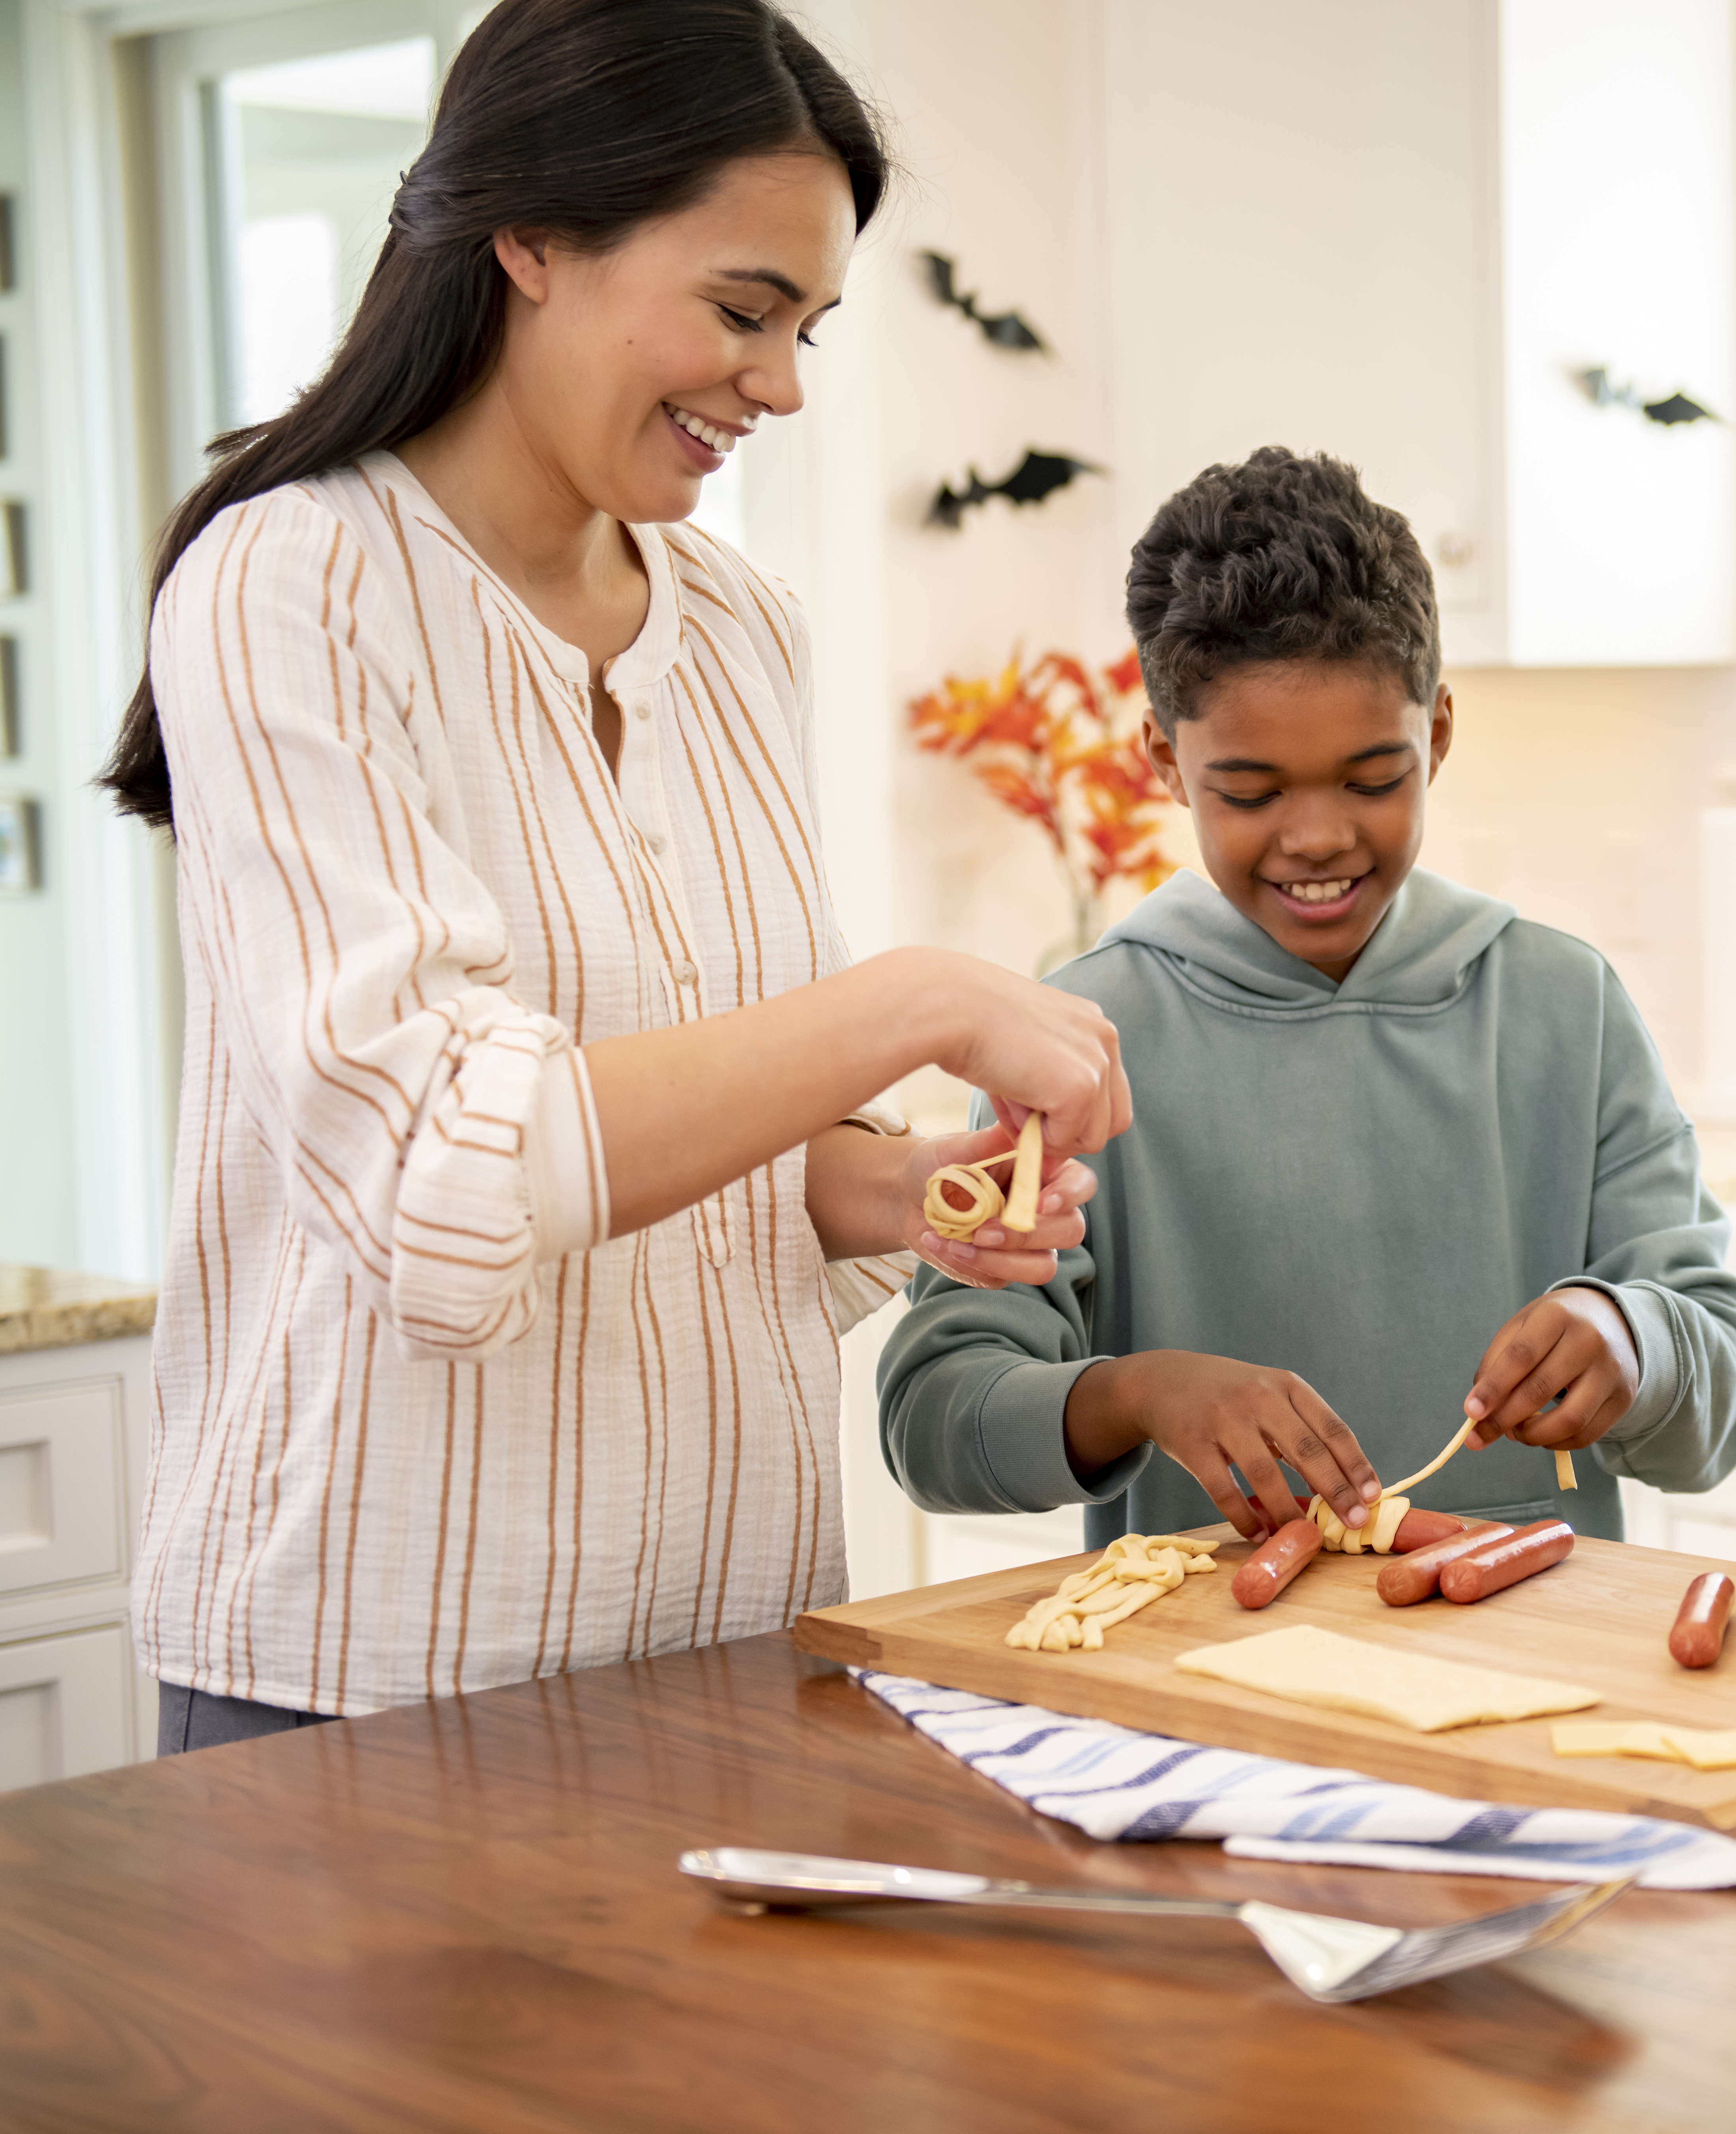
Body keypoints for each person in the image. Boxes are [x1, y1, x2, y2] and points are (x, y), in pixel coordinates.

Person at [102, 0, 1127, 1751]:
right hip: (370, 1675)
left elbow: (700, 1126)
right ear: (532, 239)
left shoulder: (740, 630)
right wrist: (924, 996)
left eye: (806, 326)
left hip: (725, 1649)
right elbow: (450, 1159)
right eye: (743, 310)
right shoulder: (296, 585)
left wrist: (895, 1192)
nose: (783, 383)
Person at [878, 448, 1736, 1544]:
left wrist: (1634, 1338)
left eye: (1373, 780)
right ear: (1164, 758)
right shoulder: (1076, 1041)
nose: (1318, 837)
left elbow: (1720, 1390)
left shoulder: (1563, 1008)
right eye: (1250, 793)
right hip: (1210, 1677)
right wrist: (1137, 1393)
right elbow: (931, 1420)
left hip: (1535, 1670)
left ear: (1437, 733)